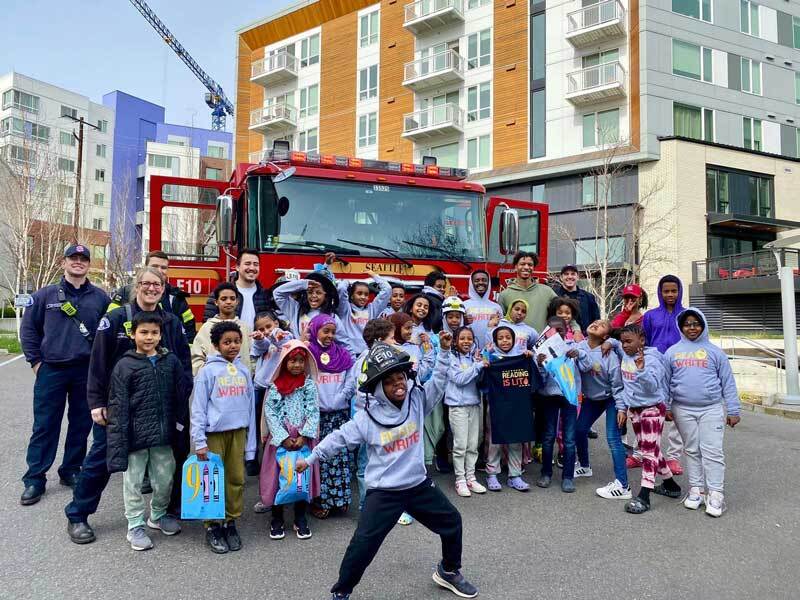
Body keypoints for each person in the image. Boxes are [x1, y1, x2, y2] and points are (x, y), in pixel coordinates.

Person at [296, 335, 480, 600]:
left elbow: (439, 383)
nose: (399, 385)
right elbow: (338, 438)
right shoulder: (366, 419)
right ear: (379, 387)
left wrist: (445, 352)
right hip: (384, 492)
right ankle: (341, 592)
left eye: (401, 379)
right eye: (390, 381)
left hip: (417, 485)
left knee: (452, 522)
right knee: (363, 545)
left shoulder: (416, 401)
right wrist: (311, 458)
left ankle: (448, 571)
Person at [65, 267, 192, 544]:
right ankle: (77, 514)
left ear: (163, 288)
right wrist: (97, 402)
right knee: (102, 458)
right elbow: (97, 363)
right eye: (145, 283)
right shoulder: (115, 319)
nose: (151, 288)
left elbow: (183, 360)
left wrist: (184, 394)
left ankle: (161, 514)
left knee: (169, 464)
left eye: (157, 284)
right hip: (120, 409)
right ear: (137, 286)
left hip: (161, 409)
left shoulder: (170, 322)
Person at [20, 244, 109, 506]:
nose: (78, 262)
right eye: (73, 258)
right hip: (52, 371)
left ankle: (71, 470)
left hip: (85, 371)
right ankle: (35, 478)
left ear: (89, 265)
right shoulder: (44, 296)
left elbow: (106, 334)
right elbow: (29, 331)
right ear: (64, 263)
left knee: (81, 425)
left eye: (83, 259)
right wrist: (36, 362)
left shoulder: (101, 298)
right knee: (45, 426)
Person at [106, 312, 185, 550]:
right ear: (133, 334)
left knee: (164, 479)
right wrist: (119, 438)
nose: (149, 337)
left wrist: (180, 428)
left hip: (164, 436)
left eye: (154, 333)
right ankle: (135, 525)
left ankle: (158, 515)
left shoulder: (170, 361)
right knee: (133, 482)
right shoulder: (124, 365)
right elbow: (117, 405)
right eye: (143, 332)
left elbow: (180, 397)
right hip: (135, 437)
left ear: (161, 335)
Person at [665, 308, 740, 517]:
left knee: (713, 451)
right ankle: (696, 489)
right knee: (691, 449)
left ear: (704, 325)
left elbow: (728, 383)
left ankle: (716, 493)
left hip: (711, 409)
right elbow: (666, 382)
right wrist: (667, 406)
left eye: (696, 323)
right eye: (687, 324)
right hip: (682, 409)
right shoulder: (672, 352)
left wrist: (733, 409)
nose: (692, 327)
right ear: (681, 327)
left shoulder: (716, 352)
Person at [191, 321, 257, 554]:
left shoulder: (243, 371)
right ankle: (212, 526)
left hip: (237, 433)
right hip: (213, 436)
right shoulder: (207, 372)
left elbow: (250, 408)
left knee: (235, 479)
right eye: (227, 342)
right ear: (216, 345)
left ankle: (230, 522)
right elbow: (198, 408)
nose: (233, 346)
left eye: (237, 341)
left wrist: (251, 446)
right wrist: (199, 441)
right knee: (211, 481)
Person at [615, 324, 682, 514]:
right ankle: (670, 485)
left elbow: (654, 388)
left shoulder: (652, 360)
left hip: (652, 408)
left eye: (629, 341)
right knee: (649, 449)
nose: (625, 345)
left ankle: (645, 495)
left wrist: (642, 370)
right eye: (623, 342)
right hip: (635, 410)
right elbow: (613, 342)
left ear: (642, 341)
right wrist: (611, 343)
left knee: (648, 453)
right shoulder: (625, 354)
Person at [260, 341, 320, 540]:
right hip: (281, 440)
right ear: (284, 362)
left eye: (301, 361)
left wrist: (304, 435)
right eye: (292, 360)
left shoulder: (309, 385)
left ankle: (300, 517)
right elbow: (270, 412)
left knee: (301, 476)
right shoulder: (276, 386)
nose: (296, 365)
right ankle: (277, 517)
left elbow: (313, 410)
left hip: (303, 439)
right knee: (279, 477)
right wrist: (283, 437)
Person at [572, 320, 630, 500]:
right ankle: (584, 466)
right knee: (579, 430)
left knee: (613, 439)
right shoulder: (578, 346)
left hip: (612, 397)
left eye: (602, 324)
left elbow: (618, 385)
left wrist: (621, 408)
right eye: (595, 321)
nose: (596, 323)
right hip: (591, 398)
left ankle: (623, 485)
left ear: (606, 336)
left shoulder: (609, 354)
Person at [307, 314, 356, 519]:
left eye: (333, 332)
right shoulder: (308, 352)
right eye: (325, 331)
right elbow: (305, 382)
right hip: (317, 416)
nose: (329, 335)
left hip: (339, 414)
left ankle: (341, 500)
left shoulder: (343, 355)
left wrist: (341, 398)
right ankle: (321, 500)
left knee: (340, 457)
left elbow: (350, 381)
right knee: (320, 459)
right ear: (315, 329)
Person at [641, 274, 686, 475]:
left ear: (679, 292)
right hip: (656, 367)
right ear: (660, 293)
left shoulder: (686, 315)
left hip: (680, 367)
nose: (670, 295)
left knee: (677, 411)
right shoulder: (650, 316)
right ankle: (642, 451)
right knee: (649, 409)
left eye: (674, 291)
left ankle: (673, 456)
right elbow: (645, 341)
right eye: (666, 291)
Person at [535, 316, 582, 493]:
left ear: (566, 329)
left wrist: (578, 355)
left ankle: (568, 476)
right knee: (548, 437)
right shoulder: (543, 351)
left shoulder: (573, 347)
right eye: (553, 331)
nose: (557, 334)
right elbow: (540, 378)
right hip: (549, 397)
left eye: (560, 330)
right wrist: (540, 364)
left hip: (569, 398)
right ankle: (546, 473)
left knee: (569, 439)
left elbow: (584, 367)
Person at [107, 250, 196, 344]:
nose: (159, 270)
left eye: (164, 267)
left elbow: (189, 330)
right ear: (145, 268)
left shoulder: (176, 297)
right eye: (154, 266)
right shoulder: (125, 292)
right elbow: (111, 321)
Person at [483, 326, 534, 492]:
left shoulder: (523, 358)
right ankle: (491, 473)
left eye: (508, 337)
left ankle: (515, 475)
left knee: (516, 440)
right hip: (497, 405)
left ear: (513, 340)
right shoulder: (491, 358)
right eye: (501, 338)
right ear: (495, 341)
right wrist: (485, 360)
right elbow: (481, 382)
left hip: (518, 406)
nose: (505, 341)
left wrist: (530, 359)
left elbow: (536, 380)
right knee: (494, 440)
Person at [445, 327, 487, 498]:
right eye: (462, 338)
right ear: (455, 341)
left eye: (469, 338)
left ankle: (471, 476)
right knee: (460, 445)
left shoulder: (474, 358)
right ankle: (460, 479)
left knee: (472, 444)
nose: (466, 342)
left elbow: (478, 379)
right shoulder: (450, 358)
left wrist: (480, 365)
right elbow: (459, 379)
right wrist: (478, 366)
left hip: (474, 404)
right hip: (458, 407)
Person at [202, 249, 272, 330]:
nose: (252, 268)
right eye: (247, 264)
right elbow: (208, 324)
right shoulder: (219, 293)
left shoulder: (266, 295)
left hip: (259, 342)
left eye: (256, 264)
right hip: (232, 342)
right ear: (237, 267)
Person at [192, 282, 253, 375]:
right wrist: (208, 375)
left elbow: (253, 356)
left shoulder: (245, 328)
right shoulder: (207, 327)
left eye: (232, 298)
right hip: (215, 385)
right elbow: (196, 358)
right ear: (216, 302)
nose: (228, 302)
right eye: (224, 299)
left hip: (242, 383)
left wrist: (250, 374)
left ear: (237, 302)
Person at [273, 267, 345, 344]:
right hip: (298, 355)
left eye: (318, 292)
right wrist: (303, 284)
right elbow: (277, 293)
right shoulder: (295, 309)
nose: (313, 295)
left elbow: (344, 344)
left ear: (326, 296)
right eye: (310, 292)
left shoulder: (332, 317)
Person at [498, 252, 557, 333]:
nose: (526, 267)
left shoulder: (547, 291)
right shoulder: (504, 295)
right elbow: (500, 322)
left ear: (533, 268)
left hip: (540, 344)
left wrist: (576, 329)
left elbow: (565, 311)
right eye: (522, 264)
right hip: (516, 344)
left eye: (530, 265)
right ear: (515, 267)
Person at [336, 269, 392, 356]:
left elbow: (387, 289)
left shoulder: (372, 309)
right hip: (348, 354)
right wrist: (347, 280)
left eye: (366, 294)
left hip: (367, 355)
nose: (363, 297)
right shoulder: (345, 309)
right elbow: (341, 288)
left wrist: (374, 276)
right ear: (351, 296)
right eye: (359, 293)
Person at [552, 264, 600, 333]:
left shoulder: (589, 297)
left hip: (586, 339)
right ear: (561, 277)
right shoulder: (554, 295)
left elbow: (596, 320)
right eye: (566, 274)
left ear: (577, 277)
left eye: (573, 274)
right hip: (560, 338)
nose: (570, 276)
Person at [464, 270, 502, 348]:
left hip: (490, 352)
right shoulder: (464, 305)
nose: (480, 283)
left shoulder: (496, 307)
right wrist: (463, 322)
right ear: (471, 283)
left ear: (489, 283)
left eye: (484, 280)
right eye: (477, 280)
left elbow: (501, 331)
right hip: (468, 351)